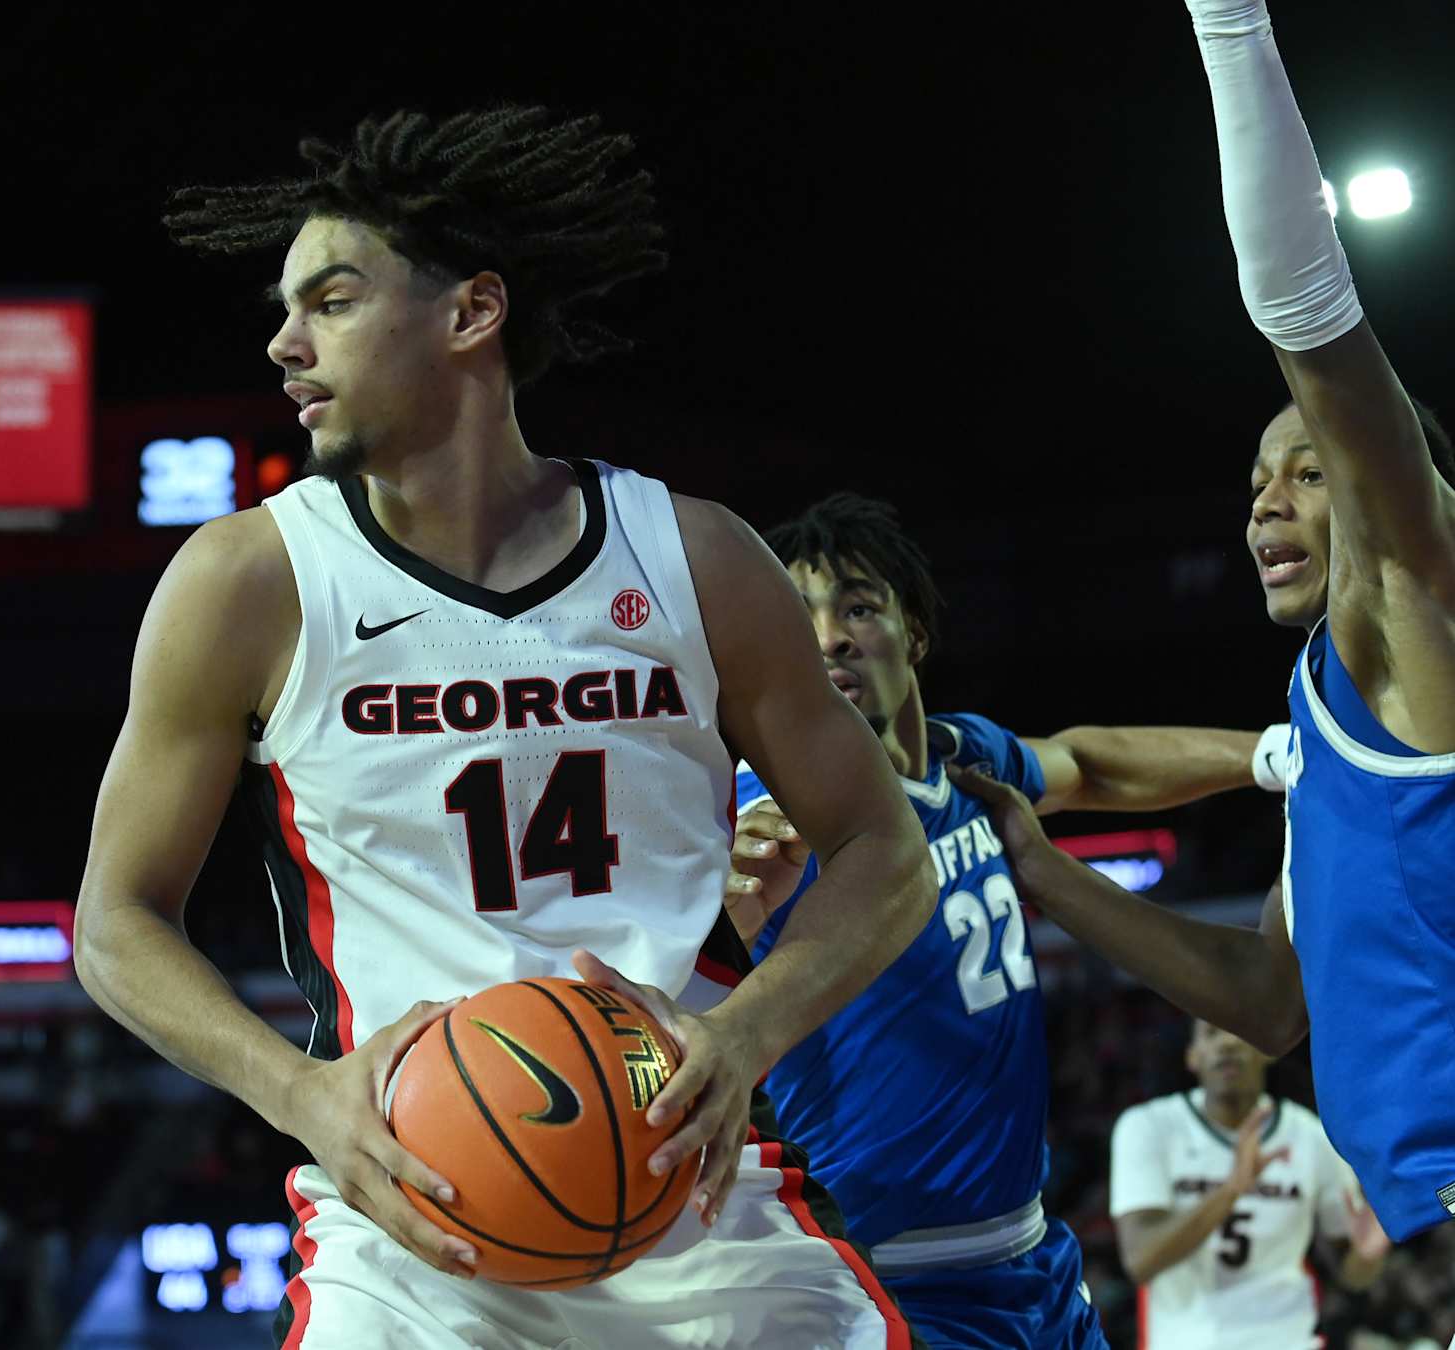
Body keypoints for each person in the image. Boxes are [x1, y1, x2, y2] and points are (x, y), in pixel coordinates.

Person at [72, 107, 937, 1349]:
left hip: (693, 1184)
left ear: (471, 312)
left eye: (331, 300)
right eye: (286, 307)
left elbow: (884, 851)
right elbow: (114, 923)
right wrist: (302, 1095)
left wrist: (746, 1033)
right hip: (408, 1215)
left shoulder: (697, 558)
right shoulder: (249, 583)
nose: (283, 342)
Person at [950, 0, 1455, 1259]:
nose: (1263, 506)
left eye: (1305, 473)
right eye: (1250, 487)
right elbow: (1268, 1003)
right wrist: (1045, 872)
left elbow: (1314, 326)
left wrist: (1229, 24)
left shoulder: (1418, 613)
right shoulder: (1331, 721)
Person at [727, 492, 1282, 1348]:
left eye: (858, 606)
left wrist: (1277, 755)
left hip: (1034, 1259)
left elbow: (1090, 762)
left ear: (913, 634)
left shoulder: (967, 758)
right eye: (800, 617)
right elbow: (693, 924)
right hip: (885, 1279)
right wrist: (734, 885)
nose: (829, 635)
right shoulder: (769, 812)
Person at [1110, 1019, 1389, 1349]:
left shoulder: (1311, 1136)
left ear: (1267, 1050)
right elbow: (1141, 1260)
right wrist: (1231, 1190)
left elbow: (1354, 1277)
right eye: (1211, 1033)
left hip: (1286, 1338)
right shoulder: (1148, 1127)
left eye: (1240, 1032)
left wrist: (1369, 1254)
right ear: (1192, 1056)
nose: (1227, 1043)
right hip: (1184, 1339)